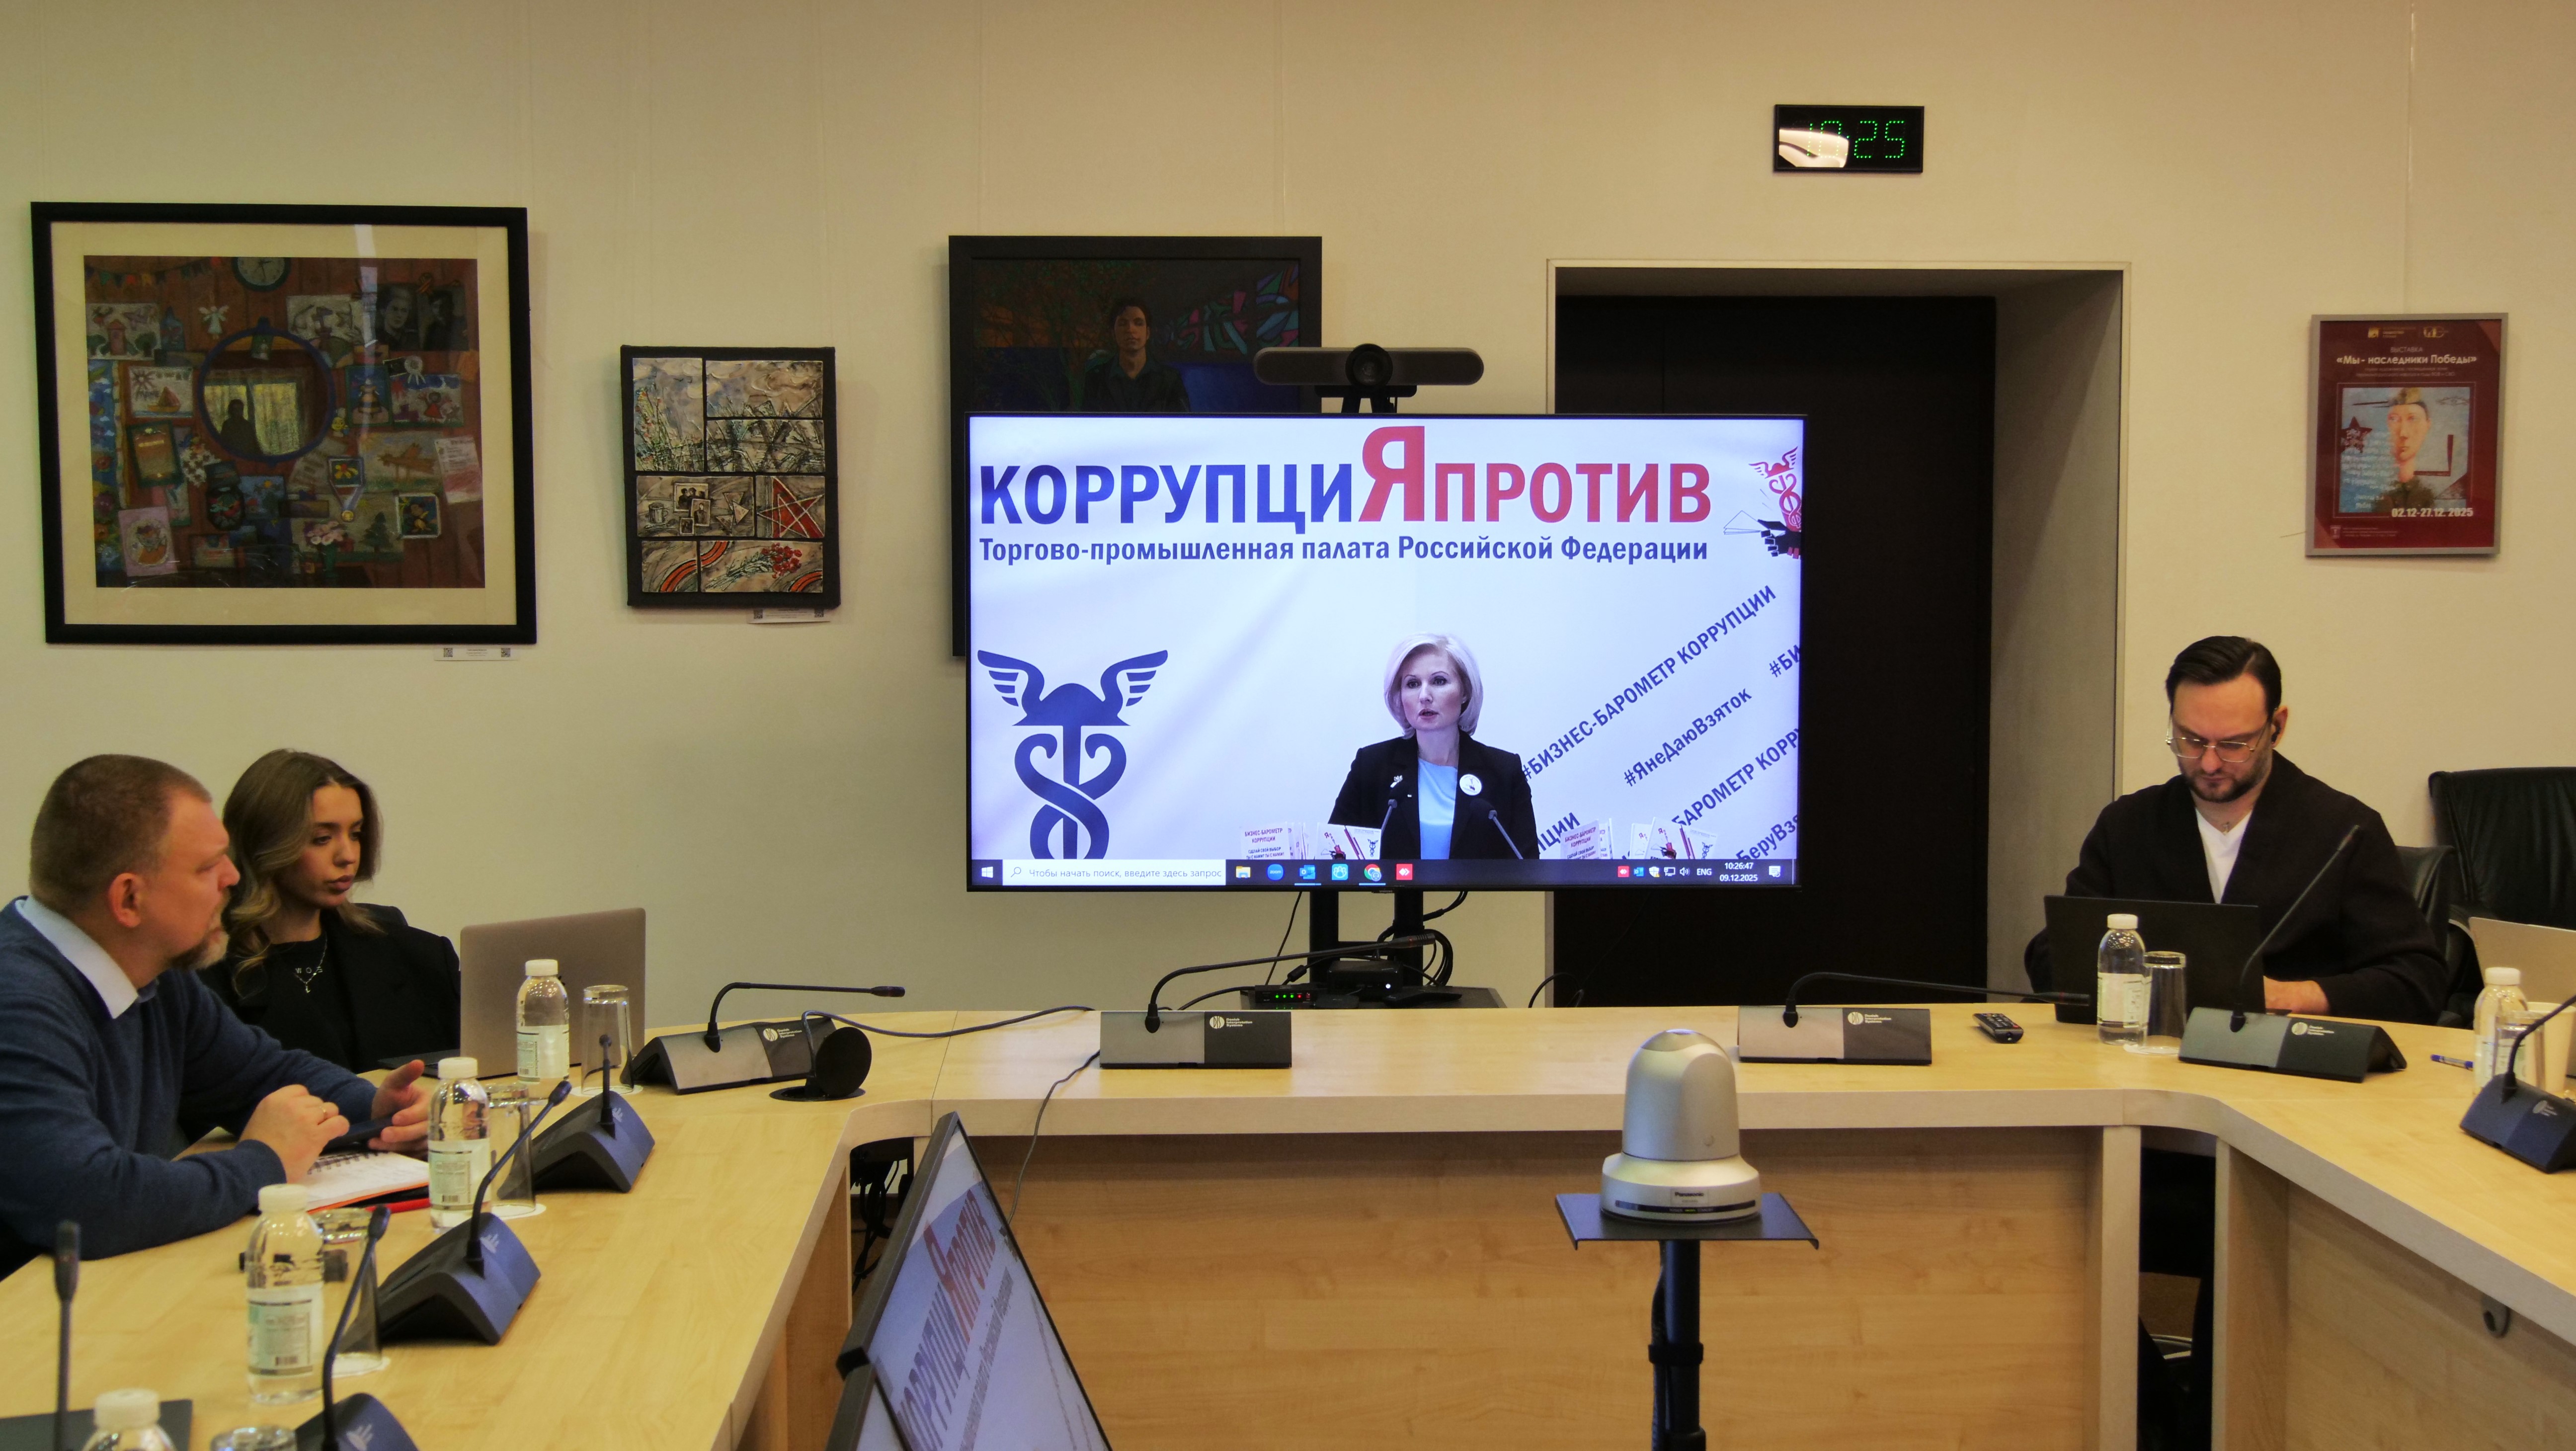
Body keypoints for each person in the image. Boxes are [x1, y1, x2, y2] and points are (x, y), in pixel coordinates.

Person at [0, 756, 431, 1275]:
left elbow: (259, 1073)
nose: (233, 877)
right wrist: (264, 1162)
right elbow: (88, 1202)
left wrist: (377, 1110)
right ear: (130, 898)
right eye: (207, 868)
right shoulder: (18, 1001)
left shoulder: (156, 974)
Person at [2023, 635, 2446, 1021]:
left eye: (2233, 744)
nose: (2209, 763)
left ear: (2276, 728)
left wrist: (2293, 995)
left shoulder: (2344, 831)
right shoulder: (2129, 825)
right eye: (2191, 740)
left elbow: (2417, 981)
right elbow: (2054, 956)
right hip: (2147, 1055)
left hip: (2289, 1061)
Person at [202, 750, 461, 1072]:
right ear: (264, 845)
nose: (348, 855)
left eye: (355, 834)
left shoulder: (422, 959)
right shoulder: (204, 976)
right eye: (322, 838)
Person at [1329, 635, 1537, 862]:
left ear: (1465, 691)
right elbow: (1334, 860)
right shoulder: (1371, 766)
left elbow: (1529, 868)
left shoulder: (1504, 772)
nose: (1424, 696)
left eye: (1439, 681)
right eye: (1413, 684)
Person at [1077, 297, 1192, 412]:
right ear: (1113, 333)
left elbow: (1182, 422)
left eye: (1138, 323)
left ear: (1148, 333)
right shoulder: (1096, 380)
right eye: (1123, 324)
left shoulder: (1170, 380)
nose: (1130, 330)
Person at [2371, 388, 2438, 513]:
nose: (2403, 433)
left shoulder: (2431, 495)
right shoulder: (2373, 491)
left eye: (2413, 419)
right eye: (2394, 420)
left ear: (2427, 425)